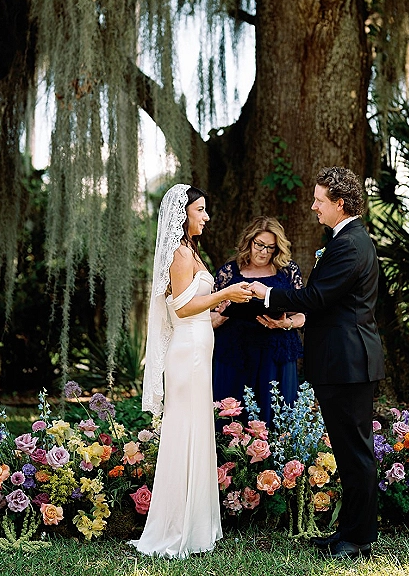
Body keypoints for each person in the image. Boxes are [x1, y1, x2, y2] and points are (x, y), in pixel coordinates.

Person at [249, 167, 385, 561]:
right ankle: (348, 531)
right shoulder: (344, 240)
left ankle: (358, 539)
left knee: (355, 452)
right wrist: (294, 317)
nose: (313, 206)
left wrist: (269, 295)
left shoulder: (351, 244)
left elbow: (318, 296)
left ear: (339, 203)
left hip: (349, 363)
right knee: (347, 450)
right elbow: (334, 303)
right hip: (341, 360)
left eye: (319, 200)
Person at [129, 183, 252, 558]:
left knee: (197, 429)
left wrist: (221, 312)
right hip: (187, 355)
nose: (207, 216)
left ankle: (198, 522)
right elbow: (181, 309)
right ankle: (178, 525)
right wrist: (224, 294)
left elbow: (192, 307)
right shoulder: (180, 255)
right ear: (183, 214)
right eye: (201, 210)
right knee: (184, 430)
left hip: (199, 348)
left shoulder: (191, 252)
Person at [211, 216, 305, 426]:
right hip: (236, 353)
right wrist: (226, 310)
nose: (263, 252)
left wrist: (285, 323)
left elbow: (303, 314)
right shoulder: (229, 272)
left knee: (277, 417)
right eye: (259, 245)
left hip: (276, 353)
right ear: (249, 242)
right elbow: (208, 318)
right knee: (231, 419)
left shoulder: (287, 271)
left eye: (270, 248)